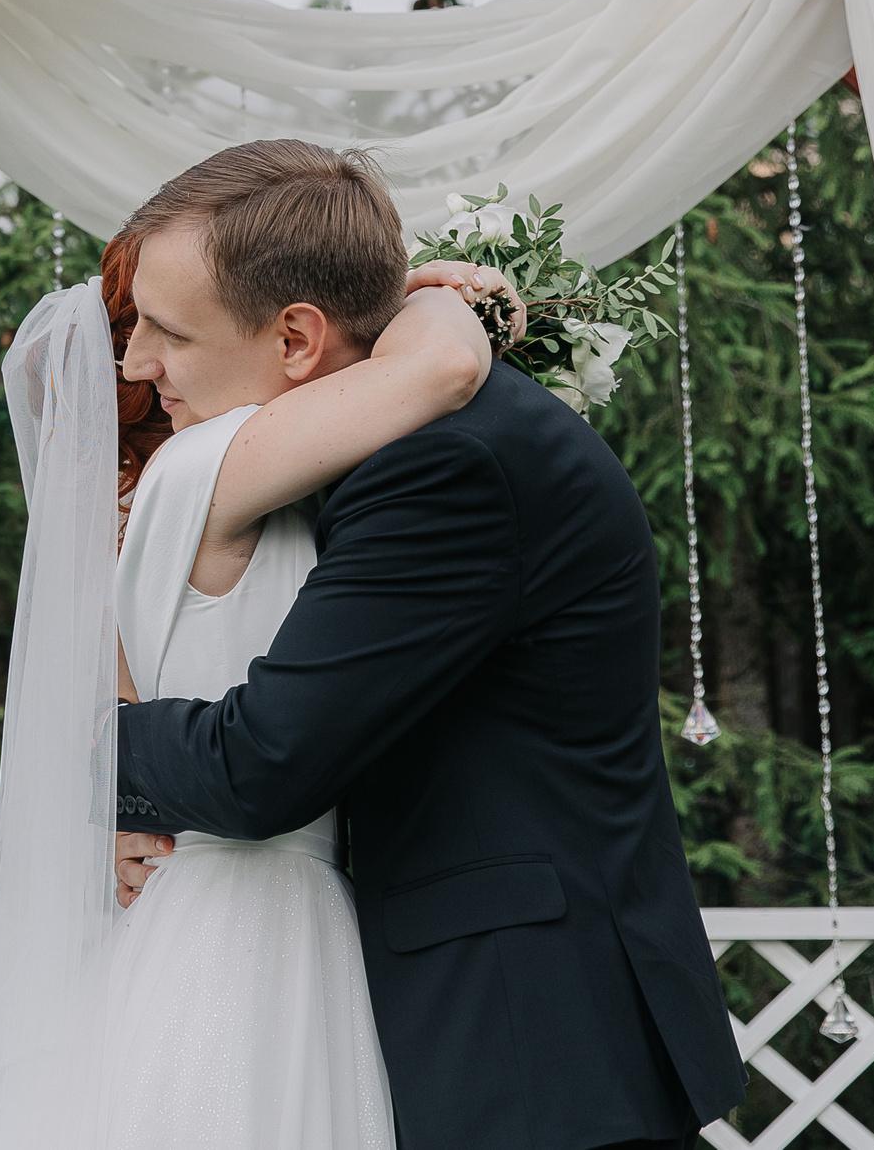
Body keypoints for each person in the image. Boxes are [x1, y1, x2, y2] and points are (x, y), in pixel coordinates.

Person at [106, 141, 746, 1150]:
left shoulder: (442, 469)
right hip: (447, 1015)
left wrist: (92, 753)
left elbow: (262, 765)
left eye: (168, 331)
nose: (135, 360)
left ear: (297, 340)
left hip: (521, 1040)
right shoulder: (393, 430)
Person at [0, 138, 504, 1150]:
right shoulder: (210, 462)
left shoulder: (217, 475)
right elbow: (447, 364)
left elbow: (119, 710)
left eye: (167, 331)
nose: (135, 363)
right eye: (133, 331)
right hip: (252, 928)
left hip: (222, 908)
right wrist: (428, 294)